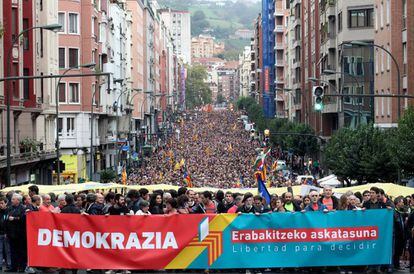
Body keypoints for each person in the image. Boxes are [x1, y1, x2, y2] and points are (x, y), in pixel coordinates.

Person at [5, 194, 29, 273]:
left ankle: (22, 267)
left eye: (13, 199)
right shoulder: (9, 208)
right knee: (12, 251)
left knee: (21, 251)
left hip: (20, 234)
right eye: (12, 199)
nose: (11, 201)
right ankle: (13, 267)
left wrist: (14, 219)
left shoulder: (23, 208)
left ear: (18, 200)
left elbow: (23, 219)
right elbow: (6, 218)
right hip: (11, 233)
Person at [393, 196, 406, 270]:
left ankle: (397, 265)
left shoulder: (399, 211)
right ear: (398, 203)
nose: (403, 203)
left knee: (399, 250)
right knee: (396, 251)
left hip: (400, 234)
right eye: (402, 202)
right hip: (397, 235)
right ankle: (396, 265)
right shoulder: (394, 212)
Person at [0, 196, 11, 271]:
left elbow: (8, 223)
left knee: (7, 250)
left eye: (1, 203)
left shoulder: (9, 211)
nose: (0, 205)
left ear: (6, 203)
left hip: (6, 234)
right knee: (0, 250)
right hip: (0, 233)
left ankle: (9, 264)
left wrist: (7, 232)